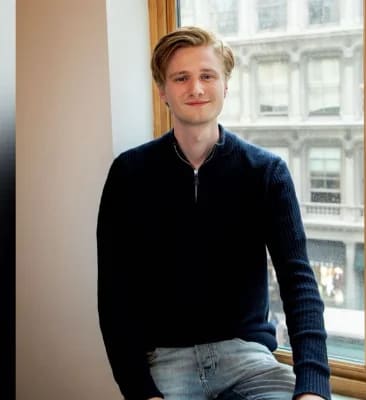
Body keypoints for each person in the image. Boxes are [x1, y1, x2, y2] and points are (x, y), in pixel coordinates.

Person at [97, 26, 331, 400]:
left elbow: (298, 282)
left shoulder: (266, 172)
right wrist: (142, 392)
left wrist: (313, 387)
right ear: (162, 91)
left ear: (225, 86)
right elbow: (114, 297)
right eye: (181, 78)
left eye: (208, 76)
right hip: (166, 362)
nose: (196, 88)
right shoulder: (128, 174)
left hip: (249, 360)